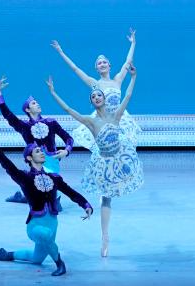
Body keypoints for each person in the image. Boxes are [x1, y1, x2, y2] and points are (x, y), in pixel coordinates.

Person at [46, 64, 143, 257]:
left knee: (112, 195)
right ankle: (105, 237)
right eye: (93, 96)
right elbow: (68, 109)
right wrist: (53, 92)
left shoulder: (116, 115)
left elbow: (128, 96)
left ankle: (105, 235)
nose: (97, 97)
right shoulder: (90, 121)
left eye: (99, 95)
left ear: (104, 99)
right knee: (106, 199)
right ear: (91, 102)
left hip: (120, 157)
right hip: (104, 164)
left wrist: (133, 78)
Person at [0, 120, 93, 277]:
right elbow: (6, 163)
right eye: (37, 151)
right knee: (44, 236)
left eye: (41, 150)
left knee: (37, 259)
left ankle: (6, 255)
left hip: (52, 224)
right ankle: (60, 264)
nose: (42, 152)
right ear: (29, 158)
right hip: (36, 225)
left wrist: (86, 205)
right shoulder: (24, 178)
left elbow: (71, 192)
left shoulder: (54, 177)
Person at [50, 29, 141, 153]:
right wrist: (61, 51)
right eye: (99, 63)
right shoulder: (95, 83)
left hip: (119, 117)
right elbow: (75, 69)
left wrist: (133, 43)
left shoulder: (117, 80)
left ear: (109, 66)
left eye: (104, 62)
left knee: (123, 150)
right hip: (103, 120)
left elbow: (128, 62)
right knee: (105, 149)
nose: (102, 64)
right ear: (97, 69)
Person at [0, 75, 73, 204]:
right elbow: (8, 115)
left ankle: (34, 197)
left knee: (49, 194)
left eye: (37, 102)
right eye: (34, 103)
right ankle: (24, 197)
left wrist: (67, 150)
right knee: (39, 194)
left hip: (52, 162)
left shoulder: (51, 122)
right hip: (36, 163)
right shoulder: (24, 126)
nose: (37, 104)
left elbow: (68, 138)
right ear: (27, 109)